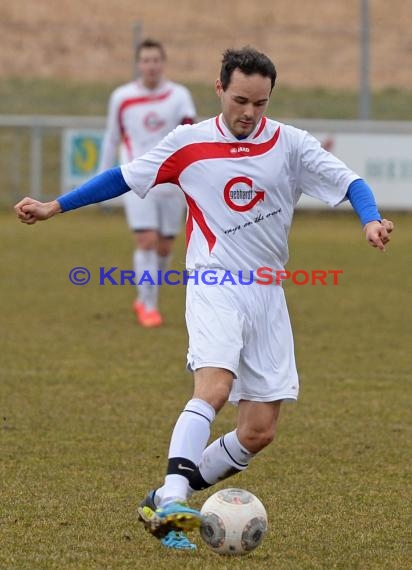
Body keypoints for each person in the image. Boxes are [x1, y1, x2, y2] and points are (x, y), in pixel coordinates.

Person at [15, 47, 394, 551]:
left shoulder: (291, 144)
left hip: (268, 293)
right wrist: (53, 206)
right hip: (215, 283)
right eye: (240, 100)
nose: (249, 112)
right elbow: (124, 177)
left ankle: (163, 495)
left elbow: (350, 181)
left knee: (259, 430)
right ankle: (174, 499)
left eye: (260, 103)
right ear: (219, 90)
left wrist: (369, 218)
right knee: (214, 387)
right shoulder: (189, 144)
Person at [99, 38, 197, 327]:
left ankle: (147, 296)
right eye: (146, 60)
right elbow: (112, 137)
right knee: (146, 240)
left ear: (162, 63)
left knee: (165, 247)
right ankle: (148, 304)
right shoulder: (122, 97)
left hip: (170, 182)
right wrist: (102, 178)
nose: (151, 65)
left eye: (156, 60)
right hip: (136, 178)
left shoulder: (180, 95)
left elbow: (191, 138)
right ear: (138, 64)